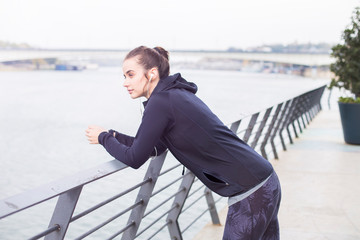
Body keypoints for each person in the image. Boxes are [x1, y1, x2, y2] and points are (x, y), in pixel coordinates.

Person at [86, 46, 281, 239]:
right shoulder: (174, 95)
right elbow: (155, 147)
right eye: (124, 77)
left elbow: (135, 158)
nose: (125, 83)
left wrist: (103, 138)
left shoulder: (160, 102)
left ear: (151, 73)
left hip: (251, 193)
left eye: (130, 75)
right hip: (265, 181)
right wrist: (113, 135)